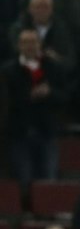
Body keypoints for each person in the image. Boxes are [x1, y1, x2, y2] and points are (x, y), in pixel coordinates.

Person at [3, 27, 61, 185]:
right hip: (20, 132)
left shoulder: (52, 67)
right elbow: (7, 101)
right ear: (19, 45)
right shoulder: (8, 70)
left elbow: (65, 95)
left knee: (49, 180)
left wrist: (50, 92)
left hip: (47, 131)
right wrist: (29, 96)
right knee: (23, 179)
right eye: (25, 42)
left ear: (40, 43)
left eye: (33, 42)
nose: (30, 46)